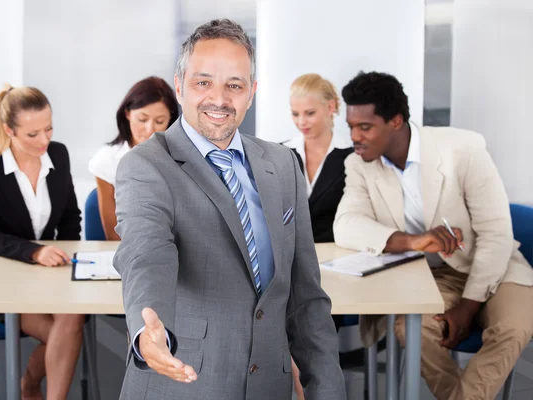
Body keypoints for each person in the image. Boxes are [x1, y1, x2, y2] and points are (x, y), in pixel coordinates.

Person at [113, 19, 345, 400]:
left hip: (268, 386)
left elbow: (306, 299)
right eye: (203, 82)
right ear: (179, 86)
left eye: (234, 85)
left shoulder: (283, 164)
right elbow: (145, 253)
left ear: (251, 93)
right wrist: (147, 329)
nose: (219, 99)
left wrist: (328, 392)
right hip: (184, 386)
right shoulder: (147, 165)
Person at [334, 71, 533, 400]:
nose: (355, 136)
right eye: (351, 126)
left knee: (514, 326)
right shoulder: (359, 164)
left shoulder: (463, 149)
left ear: (396, 121)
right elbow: (347, 223)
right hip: (432, 276)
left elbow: (496, 233)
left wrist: (468, 306)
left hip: (494, 266)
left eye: (365, 127)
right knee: (411, 331)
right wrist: (414, 240)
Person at [0, 85, 85, 400]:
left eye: (49, 129)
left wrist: (68, 265)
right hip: (4, 277)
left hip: (49, 275)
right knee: (67, 330)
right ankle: (30, 385)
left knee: (71, 317)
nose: (45, 140)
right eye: (33, 134)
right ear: (9, 130)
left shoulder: (57, 153)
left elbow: (70, 217)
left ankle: (33, 388)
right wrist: (35, 252)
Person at [88, 76, 179, 240]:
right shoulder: (106, 161)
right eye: (142, 119)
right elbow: (113, 236)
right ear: (128, 114)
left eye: (160, 121)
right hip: (129, 251)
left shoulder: (181, 159)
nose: (149, 129)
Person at [285, 73, 353, 243]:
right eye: (295, 114)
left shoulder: (352, 158)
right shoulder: (280, 154)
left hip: (336, 255)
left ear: (330, 107)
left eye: (310, 113)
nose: (301, 122)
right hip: (288, 260)